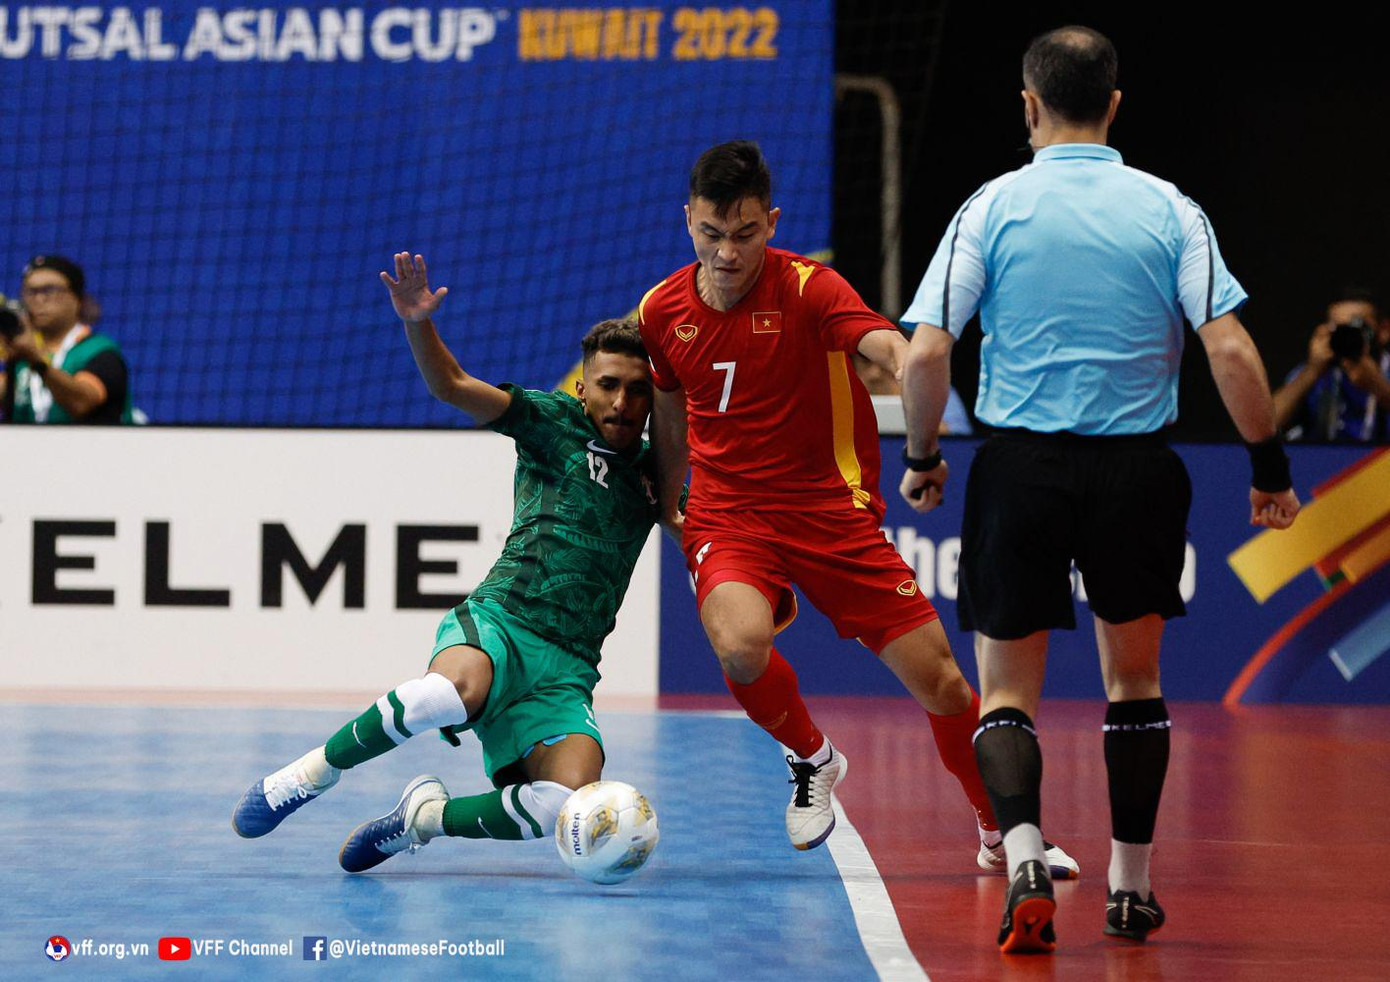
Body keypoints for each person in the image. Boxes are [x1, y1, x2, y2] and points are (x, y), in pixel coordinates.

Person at [898, 27, 1300, 954]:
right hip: (1135, 470)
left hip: (1021, 468)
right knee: (1136, 683)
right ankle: (1131, 888)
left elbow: (924, 354)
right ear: (1115, 104)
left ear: (1029, 105)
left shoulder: (991, 206)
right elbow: (1232, 350)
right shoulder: (1170, 209)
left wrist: (922, 456)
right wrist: (1269, 468)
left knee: (1005, 692)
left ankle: (1025, 857)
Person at [638, 141, 1076, 876]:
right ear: (688, 221)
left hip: (827, 509)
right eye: (711, 234)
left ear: (772, 223)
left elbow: (891, 350)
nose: (727, 253)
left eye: (745, 233)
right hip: (729, 513)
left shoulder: (812, 289)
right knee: (741, 645)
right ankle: (813, 758)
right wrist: (669, 501)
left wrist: (915, 384)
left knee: (942, 682)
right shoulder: (661, 310)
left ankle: (1000, 829)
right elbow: (671, 411)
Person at [233, 253, 662, 873]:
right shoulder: (553, 422)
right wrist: (417, 322)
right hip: (502, 623)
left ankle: (424, 818)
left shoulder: (655, 474)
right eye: (608, 385)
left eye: (637, 389)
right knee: (448, 692)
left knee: (563, 803)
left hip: (569, 669)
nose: (621, 401)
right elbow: (452, 385)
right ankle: (311, 774)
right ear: (583, 388)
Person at [0, 255, 133, 425]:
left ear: (77, 299)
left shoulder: (100, 351)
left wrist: (37, 361)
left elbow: (81, 402)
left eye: (49, 290)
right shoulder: (20, 357)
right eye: (31, 292)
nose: (39, 299)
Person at [1271, 287, 1389, 442]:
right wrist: (1311, 373)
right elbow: (1266, 425)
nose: (1347, 335)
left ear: (1384, 330)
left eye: (1357, 326)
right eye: (1338, 328)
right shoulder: (1316, 371)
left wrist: (1379, 387)